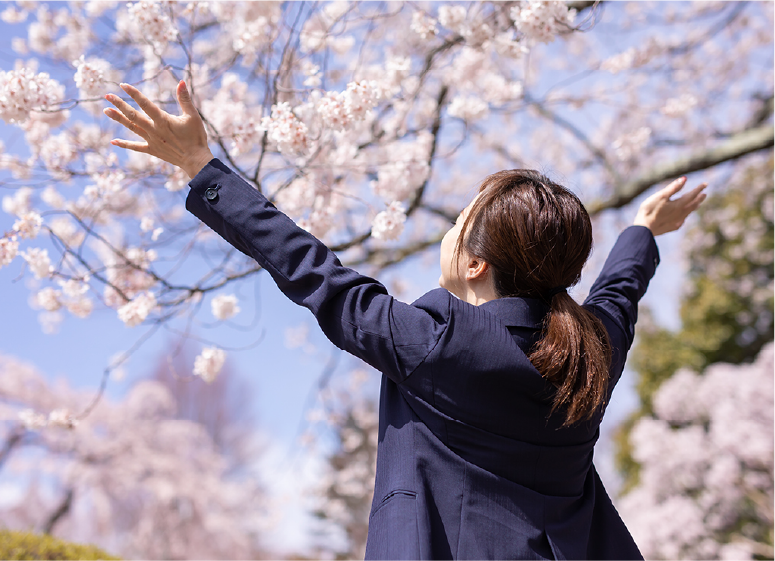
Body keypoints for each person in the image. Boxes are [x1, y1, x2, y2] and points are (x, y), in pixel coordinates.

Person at [104, 81, 707, 560]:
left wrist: (201, 167)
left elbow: (311, 270)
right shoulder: (591, 357)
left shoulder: (436, 346)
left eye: (458, 223)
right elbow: (618, 294)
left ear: (473, 262)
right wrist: (643, 232)